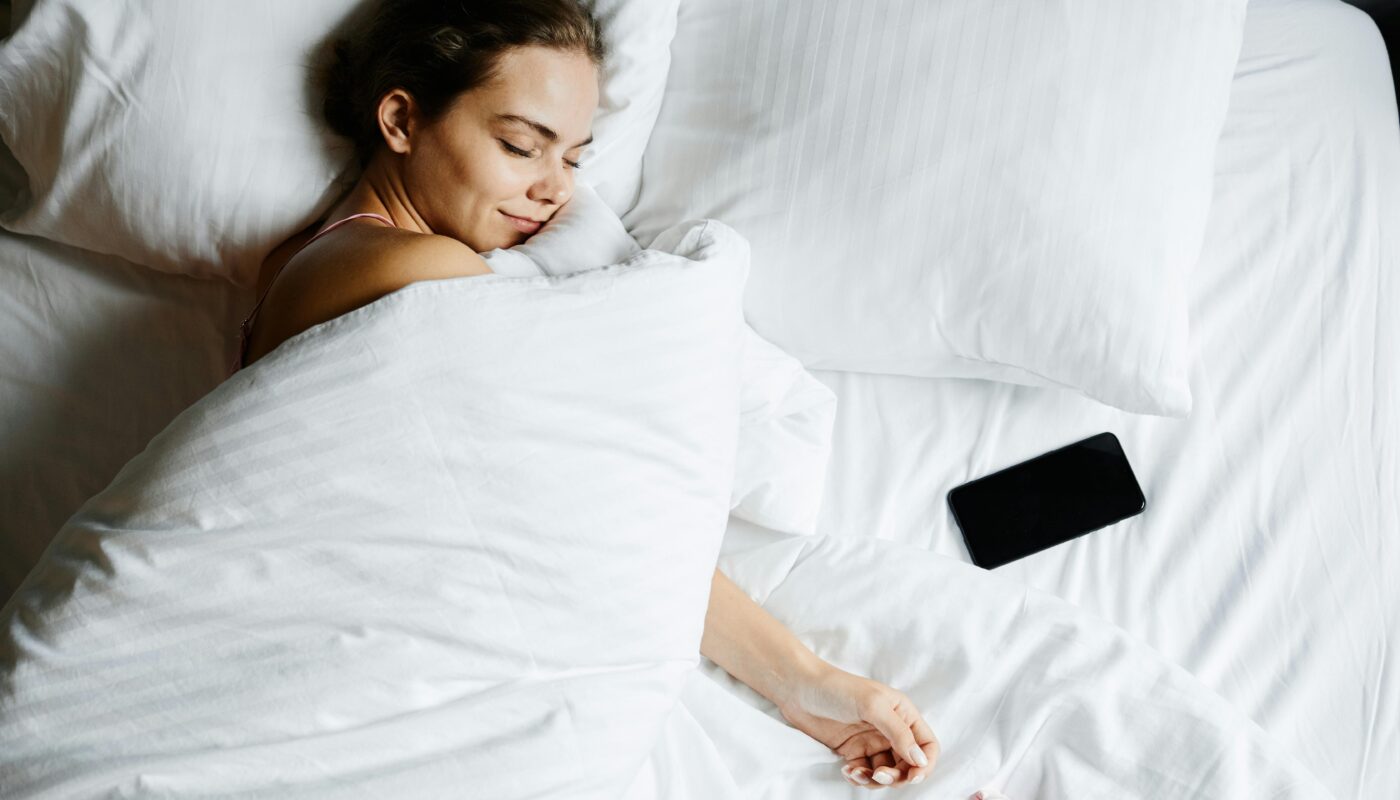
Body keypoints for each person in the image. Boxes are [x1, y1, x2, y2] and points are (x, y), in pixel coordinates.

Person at [236, 0, 940, 789]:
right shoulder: (425, 276)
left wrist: (806, 689)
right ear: (401, 119)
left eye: (572, 159)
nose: (552, 192)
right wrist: (805, 679)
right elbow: (600, 511)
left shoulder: (293, 264)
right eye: (518, 146)